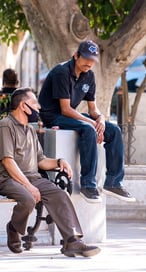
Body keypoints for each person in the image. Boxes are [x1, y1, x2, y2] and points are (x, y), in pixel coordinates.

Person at [0, 87, 101, 257]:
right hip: (6, 179)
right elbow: (8, 161)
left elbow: (41, 160)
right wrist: (29, 186)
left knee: (59, 195)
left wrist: (59, 161)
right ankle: (13, 228)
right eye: (35, 104)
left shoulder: (30, 130)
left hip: (31, 178)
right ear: (23, 106)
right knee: (28, 199)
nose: (39, 108)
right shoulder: (6, 126)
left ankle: (72, 241)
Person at [38, 40, 136, 203]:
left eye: (92, 60)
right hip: (52, 116)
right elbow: (66, 109)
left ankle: (113, 182)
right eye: (86, 58)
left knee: (114, 131)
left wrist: (101, 119)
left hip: (71, 116)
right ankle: (88, 185)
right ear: (76, 56)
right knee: (88, 129)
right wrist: (92, 124)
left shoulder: (89, 76)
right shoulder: (62, 72)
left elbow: (92, 109)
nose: (89, 63)